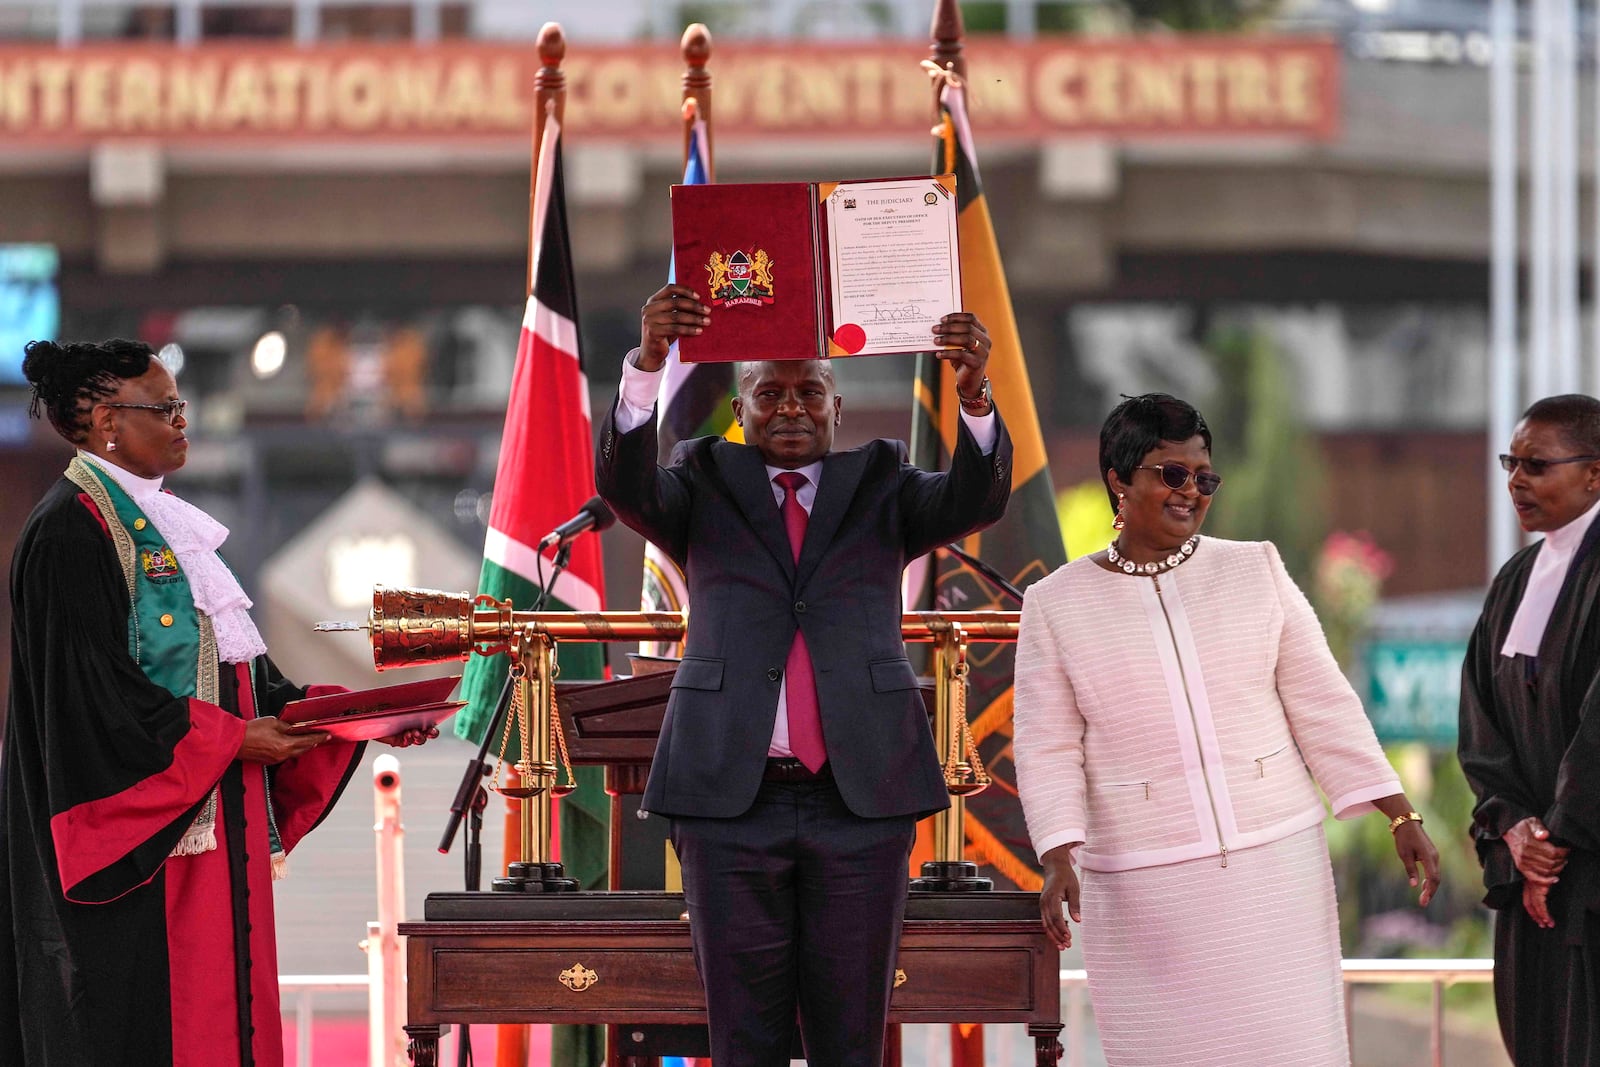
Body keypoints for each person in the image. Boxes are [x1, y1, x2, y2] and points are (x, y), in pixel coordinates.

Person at [595, 284, 1012, 1067]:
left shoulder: (883, 480)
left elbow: (976, 498)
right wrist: (647, 364)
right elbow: (625, 488)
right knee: (743, 1039)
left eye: (808, 391)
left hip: (860, 800)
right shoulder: (703, 476)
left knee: (851, 1038)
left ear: (837, 404)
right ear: (742, 408)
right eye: (769, 392)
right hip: (729, 799)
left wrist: (974, 392)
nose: (790, 407)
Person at [0, 338, 434, 1067]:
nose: (181, 421)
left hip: (207, 834)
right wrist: (232, 741)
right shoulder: (69, 531)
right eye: (164, 407)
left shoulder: (168, 525)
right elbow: (89, 702)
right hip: (143, 857)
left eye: (180, 406)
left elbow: (247, 682)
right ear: (108, 419)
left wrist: (348, 718)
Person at [1013, 392, 1439, 1067]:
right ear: (1119, 479)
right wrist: (1058, 853)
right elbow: (1047, 744)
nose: (1191, 491)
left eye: (1203, 477)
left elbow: (1324, 701)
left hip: (1277, 865)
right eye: (1171, 473)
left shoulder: (1255, 567)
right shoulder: (1056, 602)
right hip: (1144, 882)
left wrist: (1398, 813)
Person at [1459, 393, 1600, 1065]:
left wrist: (1559, 839)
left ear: (1595, 473)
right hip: (1532, 879)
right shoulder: (1515, 579)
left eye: (1537, 465)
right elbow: (1480, 722)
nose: (1516, 480)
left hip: (1590, 869)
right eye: (1510, 462)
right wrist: (1515, 825)